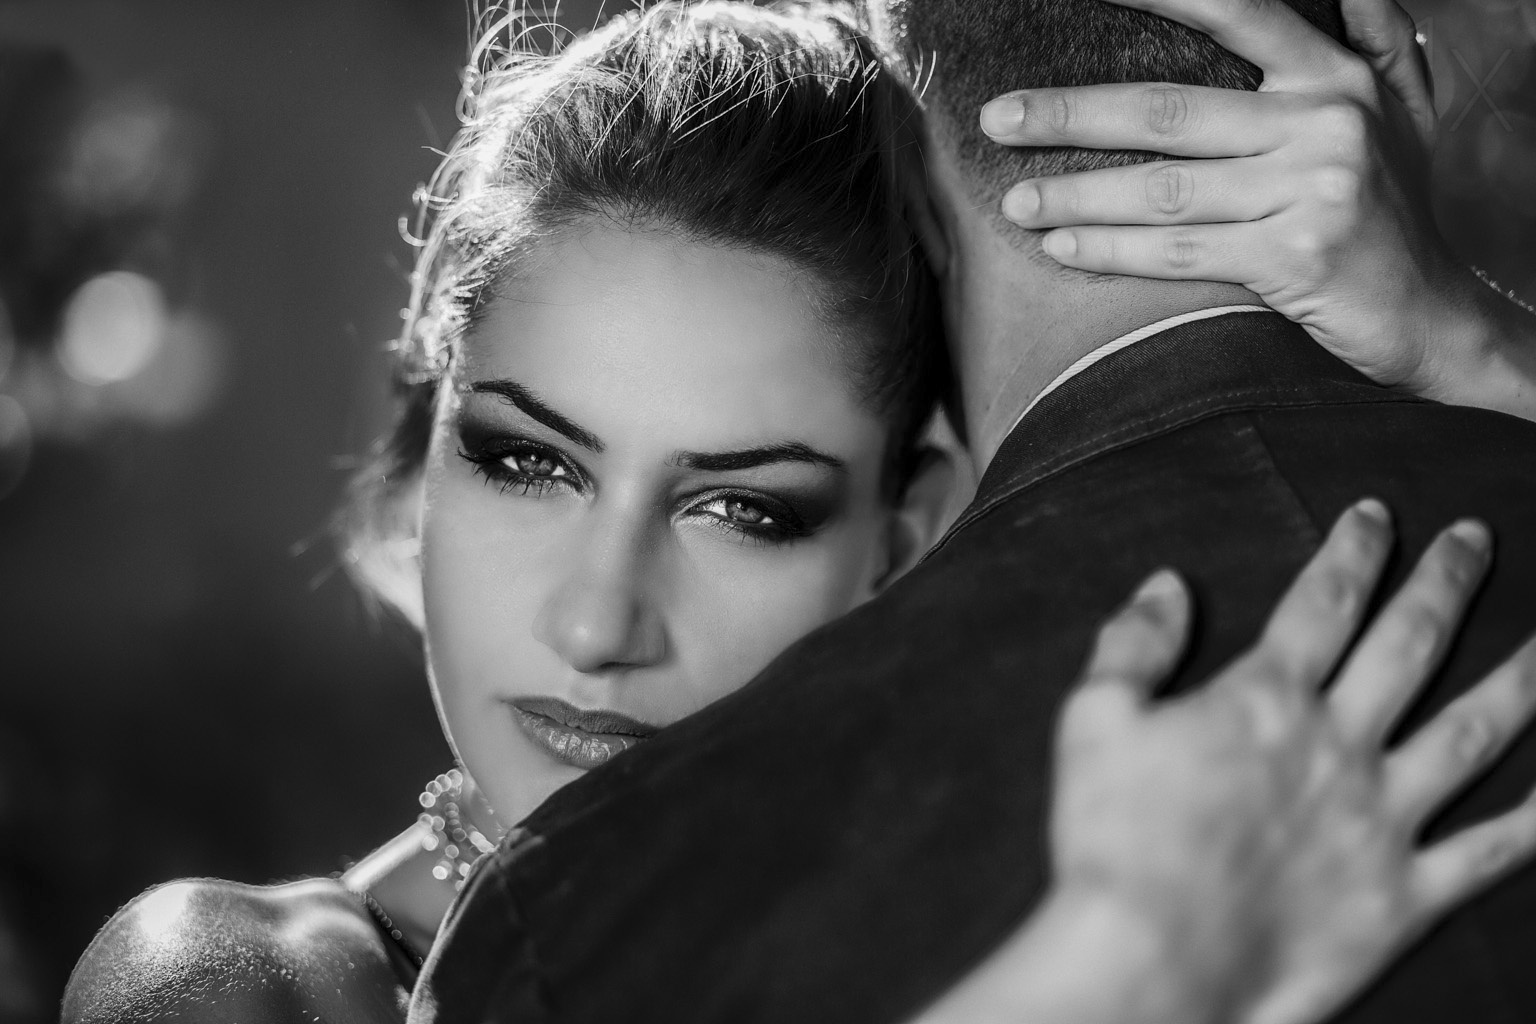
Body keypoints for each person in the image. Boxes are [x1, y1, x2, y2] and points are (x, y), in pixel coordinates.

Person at [60, 1, 1536, 1021]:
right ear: (423, 445)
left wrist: (1467, 342)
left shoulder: (995, 838)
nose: (599, 620)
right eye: (528, 462)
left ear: (905, 533)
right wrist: (1124, 971)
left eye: (743, 510)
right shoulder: (245, 980)